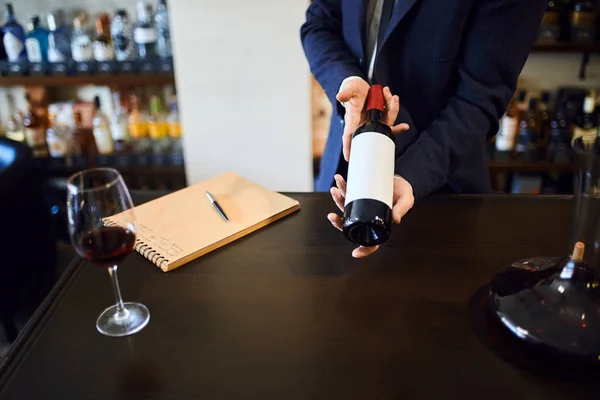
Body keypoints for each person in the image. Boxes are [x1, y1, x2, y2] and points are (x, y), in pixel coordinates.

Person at [301, 0, 547, 258]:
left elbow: (480, 98)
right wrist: (346, 79)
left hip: (435, 191)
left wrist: (411, 175)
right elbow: (319, 24)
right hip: (340, 174)